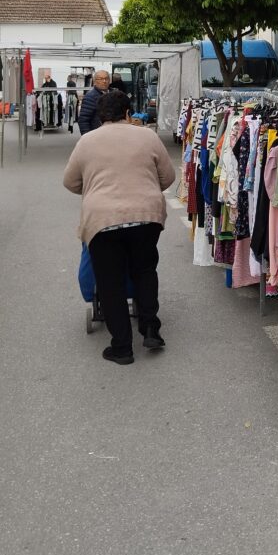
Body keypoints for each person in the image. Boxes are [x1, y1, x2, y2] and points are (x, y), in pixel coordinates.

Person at [63, 90, 177, 365]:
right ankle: (151, 329)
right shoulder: (148, 137)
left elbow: (70, 182)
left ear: (101, 116)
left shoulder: (87, 141)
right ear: (128, 113)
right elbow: (168, 177)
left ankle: (122, 347)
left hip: (102, 220)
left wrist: (93, 189)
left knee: (109, 281)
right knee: (144, 271)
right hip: (145, 216)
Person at [78, 69, 110, 134]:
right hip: (97, 134)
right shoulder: (90, 96)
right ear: (94, 81)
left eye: (106, 78)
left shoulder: (114, 94)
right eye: (100, 79)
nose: (104, 81)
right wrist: (87, 136)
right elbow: (83, 120)